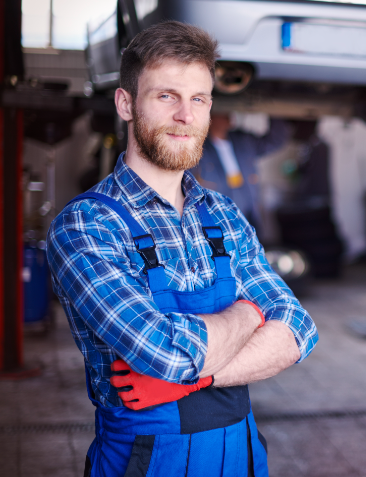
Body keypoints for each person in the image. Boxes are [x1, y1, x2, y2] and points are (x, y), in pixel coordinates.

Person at [46, 21, 318, 477]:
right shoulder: (86, 226)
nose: (186, 117)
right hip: (147, 461)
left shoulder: (224, 215)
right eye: (166, 96)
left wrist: (201, 377)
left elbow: (298, 330)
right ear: (126, 103)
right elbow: (166, 355)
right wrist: (249, 314)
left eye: (199, 99)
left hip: (242, 458)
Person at [191, 113, 290, 236]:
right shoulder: (196, 148)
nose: (228, 115)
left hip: (249, 208)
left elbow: (275, 140)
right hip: (219, 214)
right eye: (221, 112)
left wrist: (275, 109)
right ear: (208, 118)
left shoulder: (243, 140)